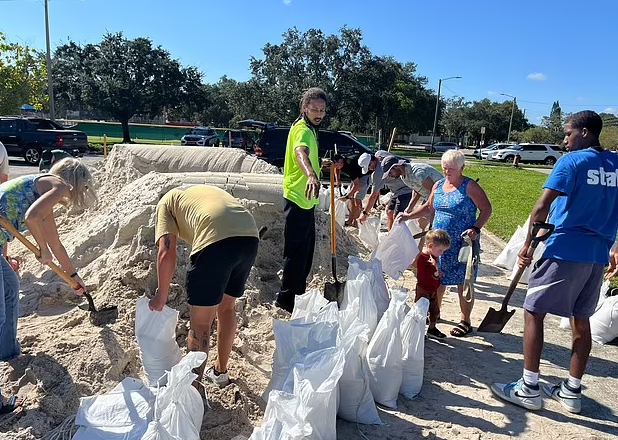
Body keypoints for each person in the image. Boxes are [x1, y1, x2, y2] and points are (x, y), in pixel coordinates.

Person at [491, 111, 618, 414]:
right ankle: (572, 391)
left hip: (565, 248)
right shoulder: (616, 164)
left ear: (585, 132)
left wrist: (527, 245)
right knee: (581, 318)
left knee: (533, 311)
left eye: (568, 133)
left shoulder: (572, 162)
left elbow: (541, 207)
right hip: (597, 254)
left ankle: (529, 388)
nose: (564, 139)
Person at [0, 157, 94, 414]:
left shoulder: (43, 189)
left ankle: (6, 351)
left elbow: (55, 242)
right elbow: (32, 218)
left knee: (10, 288)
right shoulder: (59, 186)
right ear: (75, 181)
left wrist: (74, 276)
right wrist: (41, 250)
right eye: (83, 187)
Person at [150, 185, 259, 388]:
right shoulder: (197, 195)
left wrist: (161, 295)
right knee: (226, 308)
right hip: (249, 236)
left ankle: (193, 389)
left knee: (201, 325)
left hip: (215, 239)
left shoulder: (165, 204)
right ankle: (220, 373)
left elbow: (166, 251)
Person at [399, 150, 492, 337]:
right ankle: (436, 313)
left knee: (463, 282)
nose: (447, 172)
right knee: (437, 277)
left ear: (462, 168)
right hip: (439, 242)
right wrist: (408, 215)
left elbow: (486, 208)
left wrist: (476, 228)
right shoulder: (439, 185)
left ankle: (465, 320)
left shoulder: (470, 186)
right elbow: (429, 207)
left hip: (462, 242)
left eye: (451, 169)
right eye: (444, 168)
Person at [275, 88, 327, 313]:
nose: (318, 113)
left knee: (305, 253)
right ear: (304, 108)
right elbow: (300, 153)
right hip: (298, 197)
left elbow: (309, 155)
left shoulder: (311, 130)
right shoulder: (303, 130)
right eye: (314, 109)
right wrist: (311, 175)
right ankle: (287, 299)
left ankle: (298, 293)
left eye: (322, 110)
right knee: (296, 252)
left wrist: (323, 165)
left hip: (306, 201)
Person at [382, 156, 444, 230]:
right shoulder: (403, 176)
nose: (389, 176)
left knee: (434, 224)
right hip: (430, 196)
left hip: (442, 196)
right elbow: (417, 190)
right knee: (420, 223)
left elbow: (434, 191)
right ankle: (423, 239)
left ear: (396, 167)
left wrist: (428, 211)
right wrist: (409, 208)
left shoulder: (417, 173)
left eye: (390, 172)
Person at [415, 229, 451, 339]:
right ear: (430, 246)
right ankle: (418, 330)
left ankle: (432, 328)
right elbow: (422, 274)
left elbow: (433, 272)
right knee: (421, 310)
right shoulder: (423, 258)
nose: (441, 253)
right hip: (424, 288)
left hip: (433, 288)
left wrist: (438, 272)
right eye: (440, 250)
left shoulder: (434, 256)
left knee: (434, 310)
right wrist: (434, 268)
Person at [333, 154, 369, 227]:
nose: (336, 167)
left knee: (357, 199)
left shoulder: (349, 166)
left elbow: (357, 185)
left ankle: (357, 222)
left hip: (364, 176)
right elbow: (336, 168)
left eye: (336, 165)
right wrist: (337, 179)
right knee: (351, 199)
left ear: (341, 161)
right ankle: (350, 220)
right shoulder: (341, 163)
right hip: (356, 177)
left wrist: (347, 197)